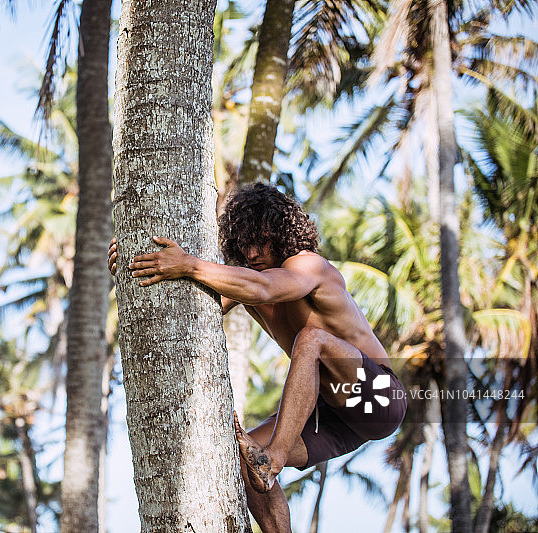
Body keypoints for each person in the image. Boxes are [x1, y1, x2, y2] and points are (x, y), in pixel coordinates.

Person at [107, 183, 406, 533]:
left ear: (280, 234)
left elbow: (263, 288)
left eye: (260, 241)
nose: (251, 253)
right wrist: (136, 263)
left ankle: (273, 458)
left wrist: (189, 264)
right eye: (243, 243)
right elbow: (189, 307)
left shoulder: (310, 267)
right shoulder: (246, 282)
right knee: (239, 459)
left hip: (380, 398)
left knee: (311, 339)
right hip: (334, 417)